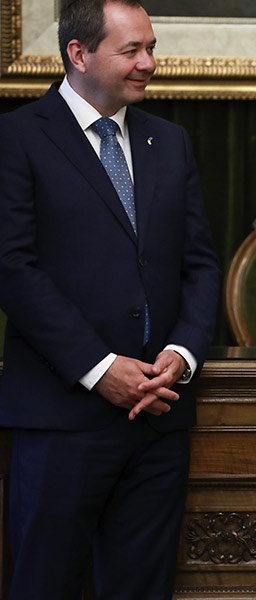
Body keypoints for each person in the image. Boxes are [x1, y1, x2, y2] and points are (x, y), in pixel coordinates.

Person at [0, 0, 221, 597]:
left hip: (159, 414)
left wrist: (182, 352)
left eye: (151, 48)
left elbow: (200, 264)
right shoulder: (17, 137)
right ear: (79, 53)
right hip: (62, 417)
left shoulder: (168, 141)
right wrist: (99, 369)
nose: (148, 62)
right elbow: (13, 269)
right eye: (132, 50)